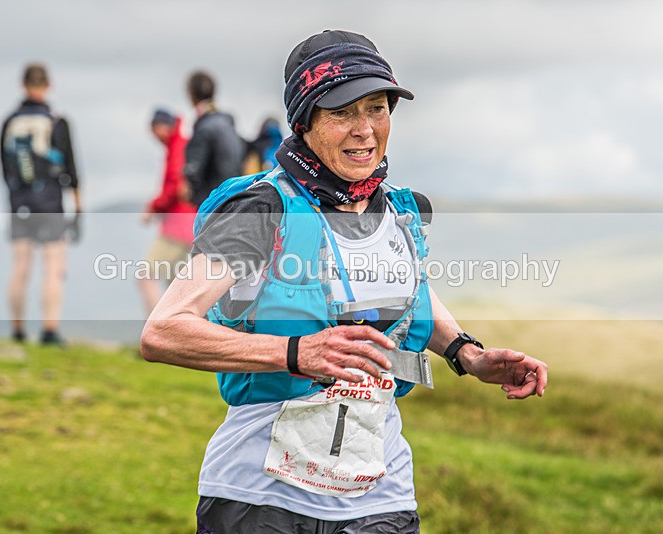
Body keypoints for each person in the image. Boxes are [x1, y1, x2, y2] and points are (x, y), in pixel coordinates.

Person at [141, 30, 548, 533]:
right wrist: (295, 353)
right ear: (304, 121)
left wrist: (468, 353)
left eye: (377, 108)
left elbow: (410, 292)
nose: (365, 130)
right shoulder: (263, 210)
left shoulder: (399, 211)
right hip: (259, 499)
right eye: (342, 112)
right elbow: (164, 331)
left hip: (380, 496)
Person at [0, 63, 81, 345]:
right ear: (48, 85)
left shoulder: (9, 122)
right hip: (50, 204)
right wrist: (78, 209)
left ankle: (18, 330)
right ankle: (49, 329)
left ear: (23, 85)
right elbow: (72, 169)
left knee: (20, 266)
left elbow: (3, 168)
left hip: (19, 204)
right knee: (53, 266)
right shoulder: (57, 121)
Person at [138, 108, 196, 316]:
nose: (154, 137)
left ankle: (157, 332)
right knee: (177, 290)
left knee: (145, 276)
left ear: (161, 127)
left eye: (153, 130)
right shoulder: (184, 144)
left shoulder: (176, 147)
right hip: (190, 225)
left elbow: (174, 184)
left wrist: (154, 207)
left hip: (177, 226)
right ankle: (181, 342)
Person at [183, 70, 245, 207]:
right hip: (233, 201)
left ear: (191, 95)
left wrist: (194, 196)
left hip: (213, 204)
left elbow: (193, 171)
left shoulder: (204, 127)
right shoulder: (227, 124)